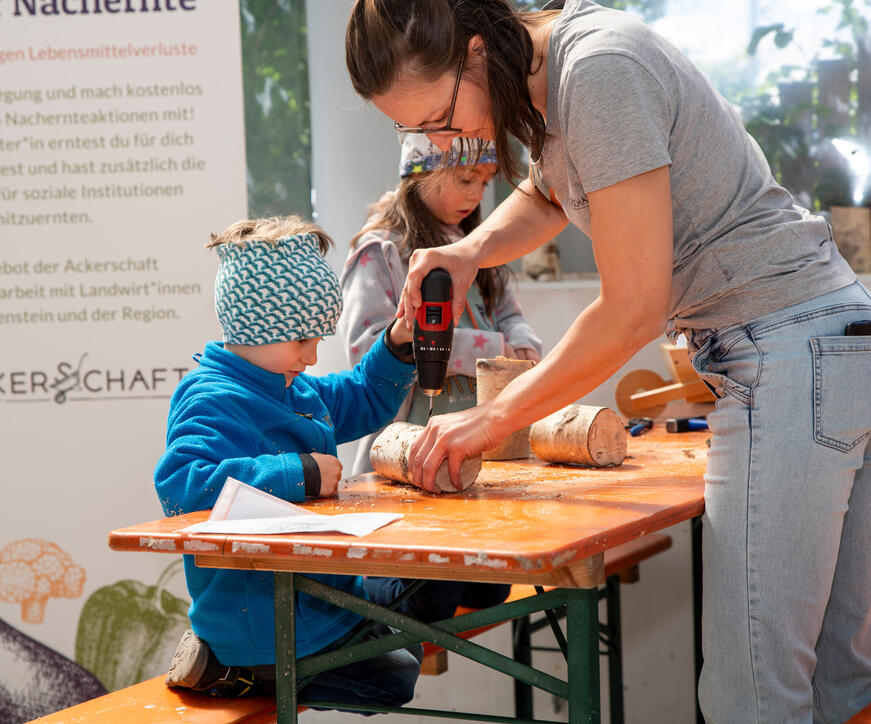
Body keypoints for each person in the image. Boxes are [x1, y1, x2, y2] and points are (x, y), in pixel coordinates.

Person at [345, 1, 871, 722]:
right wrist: (470, 252)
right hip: (825, 339)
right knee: (836, 680)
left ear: (472, 52)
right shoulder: (554, 77)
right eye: (412, 131)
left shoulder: (597, 72)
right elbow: (550, 191)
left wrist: (489, 419)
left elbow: (632, 309)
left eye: (438, 117)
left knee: (751, 695)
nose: (444, 140)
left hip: (785, 348)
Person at [154, 216, 426, 710]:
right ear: (255, 326)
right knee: (396, 676)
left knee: (426, 619)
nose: (312, 355)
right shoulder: (211, 398)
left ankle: (303, 649)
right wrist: (297, 472)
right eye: (302, 340)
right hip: (263, 621)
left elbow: (361, 395)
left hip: (315, 596)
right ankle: (234, 673)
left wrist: (396, 343)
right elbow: (182, 484)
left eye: (318, 339)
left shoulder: (290, 385)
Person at [338, 133, 542, 476]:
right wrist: (493, 350)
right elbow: (367, 350)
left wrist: (521, 343)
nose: (476, 194)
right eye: (465, 179)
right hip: (407, 450)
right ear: (419, 172)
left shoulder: (479, 246)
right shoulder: (382, 251)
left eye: (484, 182)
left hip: (484, 444)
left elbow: (508, 315)